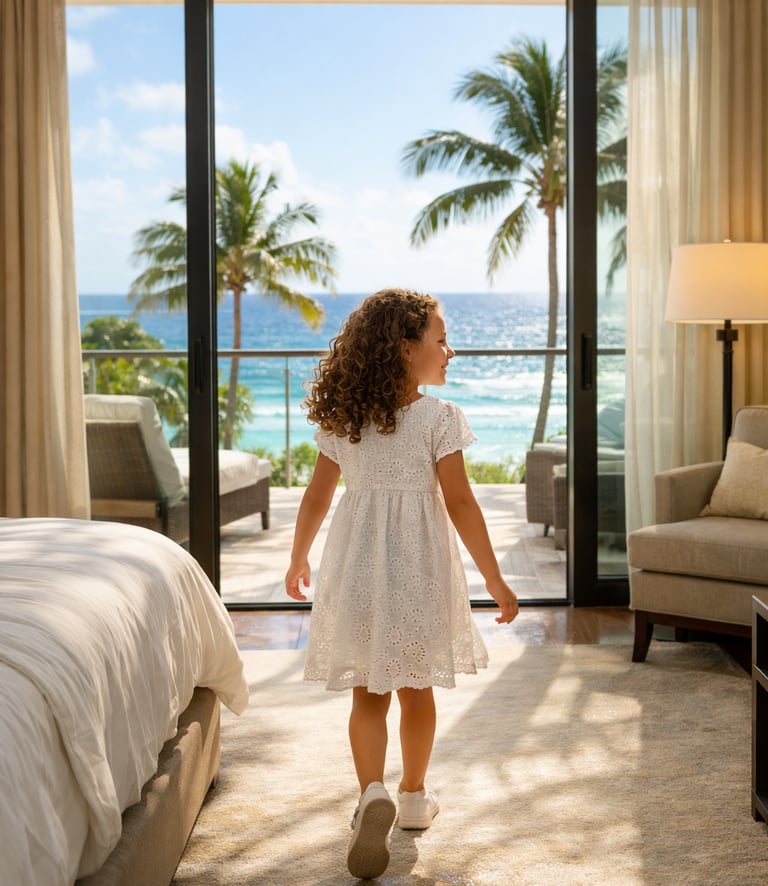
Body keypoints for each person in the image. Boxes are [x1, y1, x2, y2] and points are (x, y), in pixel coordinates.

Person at [285, 288, 518, 879]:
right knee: (417, 688)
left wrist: (298, 559)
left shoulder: (344, 418)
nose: (450, 350)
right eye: (440, 339)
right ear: (404, 347)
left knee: (369, 691)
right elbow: (461, 503)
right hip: (418, 570)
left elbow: (316, 497)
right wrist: (494, 577)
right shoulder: (441, 418)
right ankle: (412, 798)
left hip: (357, 568)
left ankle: (370, 792)